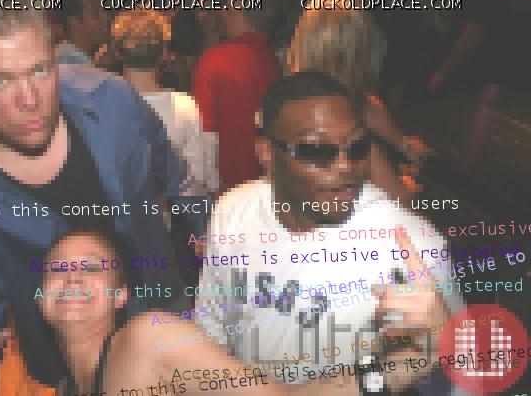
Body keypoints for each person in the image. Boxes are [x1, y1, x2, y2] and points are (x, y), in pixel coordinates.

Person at [0, 0, 186, 395]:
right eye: (1, 81)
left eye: (39, 71)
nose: (29, 99)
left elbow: (168, 173)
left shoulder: (112, 100)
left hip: (167, 311)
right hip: (70, 377)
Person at [195, 71, 464, 394]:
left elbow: (464, 373)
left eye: (357, 147)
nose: (345, 166)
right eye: (316, 150)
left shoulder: (410, 243)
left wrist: (440, 343)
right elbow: (212, 322)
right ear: (266, 152)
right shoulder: (233, 212)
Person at [25, 227, 361, 395]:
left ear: (120, 296)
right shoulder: (65, 387)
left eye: (92, 267)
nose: (73, 277)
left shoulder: (148, 339)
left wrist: (380, 375)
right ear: (40, 297)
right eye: (57, 268)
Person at [287, 0, 430, 202]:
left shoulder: (296, 91)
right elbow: (400, 200)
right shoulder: (344, 126)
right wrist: (407, 185)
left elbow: (367, 104)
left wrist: (404, 145)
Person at [112, 10, 219, 198]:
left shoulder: (103, 104)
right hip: (174, 211)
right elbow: (199, 178)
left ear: (116, 51)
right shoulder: (185, 107)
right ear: (164, 53)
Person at [193, 0, 281, 192]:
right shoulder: (275, 62)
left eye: (228, 10)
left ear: (243, 17)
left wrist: (212, 189)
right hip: (272, 184)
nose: (222, 15)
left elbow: (205, 134)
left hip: (229, 188)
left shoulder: (215, 61)